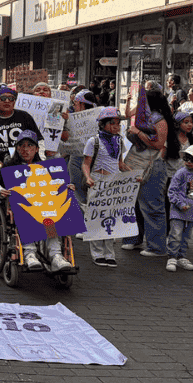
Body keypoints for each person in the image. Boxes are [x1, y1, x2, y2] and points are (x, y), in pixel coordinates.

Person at [0, 131, 75, 272]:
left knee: (51, 216)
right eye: (22, 145)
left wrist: (66, 187)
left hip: (44, 206)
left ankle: (56, 255)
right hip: (21, 207)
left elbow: (56, 184)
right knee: (26, 213)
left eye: (30, 146)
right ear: (17, 149)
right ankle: (29, 253)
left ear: (36, 149)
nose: (26, 149)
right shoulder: (9, 167)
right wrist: (0, 191)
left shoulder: (44, 167)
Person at [0, 86, 42, 210]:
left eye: (11, 99)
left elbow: (39, 142)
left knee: (27, 208)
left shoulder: (25, 117)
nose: (7, 101)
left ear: (15, 102)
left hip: (24, 172)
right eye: (3, 98)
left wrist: (38, 160)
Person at [121, 90, 172, 257]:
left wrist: (138, 133)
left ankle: (157, 246)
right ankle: (133, 238)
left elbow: (158, 144)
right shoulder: (144, 116)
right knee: (134, 202)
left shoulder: (159, 119)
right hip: (137, 162)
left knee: (152, 205)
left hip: (153, 165)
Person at [83, 108, 127, 267]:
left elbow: (120, 164)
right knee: (96, 218)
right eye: (112, 123)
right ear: (102, 125)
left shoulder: (120, 141)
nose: (117, 126)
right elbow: (86, 163)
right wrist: (88, 177)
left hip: (114, 183)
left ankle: (110, 253)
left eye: (119, 123)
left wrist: (134, 174)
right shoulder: (93, 141)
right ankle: (97, 253)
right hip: (98, 180)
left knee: (111, 219)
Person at [165, 144, 193, 272]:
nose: (188, 162)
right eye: (186, 159)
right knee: (176, 234)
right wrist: (179, 204)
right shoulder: (180, 173)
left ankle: (181, 256)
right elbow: (171, 191)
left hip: (191, 212)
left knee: (186, 236)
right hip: (178, 211)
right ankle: (172, 257)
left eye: (192, 160)